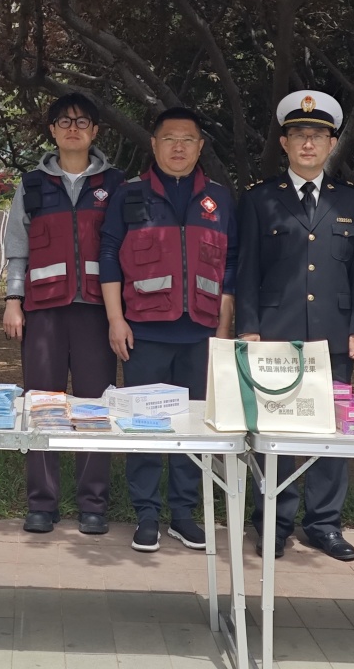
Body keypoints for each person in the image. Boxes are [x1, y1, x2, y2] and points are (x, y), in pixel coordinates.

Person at [236, 91, 354, 561]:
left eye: (317, 135)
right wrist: (249, 327)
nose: (308, 143)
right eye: (299, 134)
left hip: (334, 337)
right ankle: (272, 521)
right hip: (274, 333)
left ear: (332, 143)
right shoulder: (260, 199)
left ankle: (324, 524)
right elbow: (247, 271)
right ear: (284, 142)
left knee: (328, 433)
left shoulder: (353, 201)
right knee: (272, 434)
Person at [100, 107, 237, 553]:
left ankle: (183, 514)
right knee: (143, 426)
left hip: (201, 335)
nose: (179, 147)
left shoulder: (219, 199)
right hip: (144, 333)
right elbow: (109, 256)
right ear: (154, 144)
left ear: (200, 147)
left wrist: (222, 330)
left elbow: (230, 266)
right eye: (170, 139)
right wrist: (116, 319)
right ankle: (146, 514)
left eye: (188, 139)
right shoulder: (129, 194)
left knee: (193, 429)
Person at [3, 93, 123, 536]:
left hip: (96, 312)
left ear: (95, 131)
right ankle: (42, 502)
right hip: (43, 312)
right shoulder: (33, 184)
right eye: (64, 121)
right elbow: (17, 248)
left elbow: (124, 247)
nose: (73, 128)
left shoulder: (116, 184)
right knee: (43, 405)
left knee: (94, 406)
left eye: (82, 121)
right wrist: (13, 300)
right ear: (52, 130)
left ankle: (93, 502)